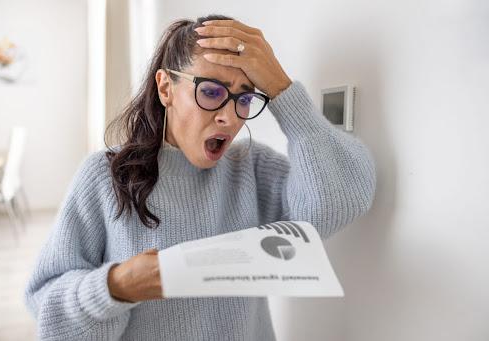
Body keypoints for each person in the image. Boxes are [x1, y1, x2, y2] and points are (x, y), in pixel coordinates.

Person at [24, 14, 376, 341]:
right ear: (166, 88)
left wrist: (282, 89)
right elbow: (46, 307)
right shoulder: (104, 176)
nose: (229, 117)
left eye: (245, 97)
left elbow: (341, 201)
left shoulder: (252, 169)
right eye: (211, 91)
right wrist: (116, 287)